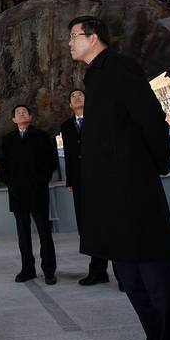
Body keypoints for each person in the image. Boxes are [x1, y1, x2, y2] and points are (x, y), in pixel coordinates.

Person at [68, 15, 170, 340]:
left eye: (74, 37)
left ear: (94, 38)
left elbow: (151, 120)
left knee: (161, 289)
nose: (70, 44)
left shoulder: (120, 67)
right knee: (136, 284)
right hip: (112, 201)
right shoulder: (94, 77)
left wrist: (149, 169)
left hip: (133, 196)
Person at [0, 104, 58, 285]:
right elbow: (3, 165)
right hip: (17, 193)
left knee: (44, 232)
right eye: (17, 112)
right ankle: (28, 269)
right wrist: (11, 183)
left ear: (30, 117)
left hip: (38, 191)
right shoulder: (8, 139)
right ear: (14, 119)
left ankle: (49, 270)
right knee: (22, 234)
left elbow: (51, 162)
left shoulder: (41, 136)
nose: (21, 113)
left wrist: (41, 181)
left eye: (24, 111)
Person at [61, 88, 110, 286]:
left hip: (103, 178)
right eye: (73, 97)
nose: (77, 97)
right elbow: (70, 154)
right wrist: (70, 180)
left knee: (111, 222)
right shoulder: (66, 126)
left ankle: (125, 274)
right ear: (70, 105)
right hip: (80, 181)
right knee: (88, 226)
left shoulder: (100, 119)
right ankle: (98, 271)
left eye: (80, 95)